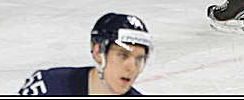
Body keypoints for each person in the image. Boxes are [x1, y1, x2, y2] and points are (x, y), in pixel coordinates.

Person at [19, 13, 150, 96]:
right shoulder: (48, 86)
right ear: (98, 53)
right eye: (123, 55)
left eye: (139, 59)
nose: (132, 68)